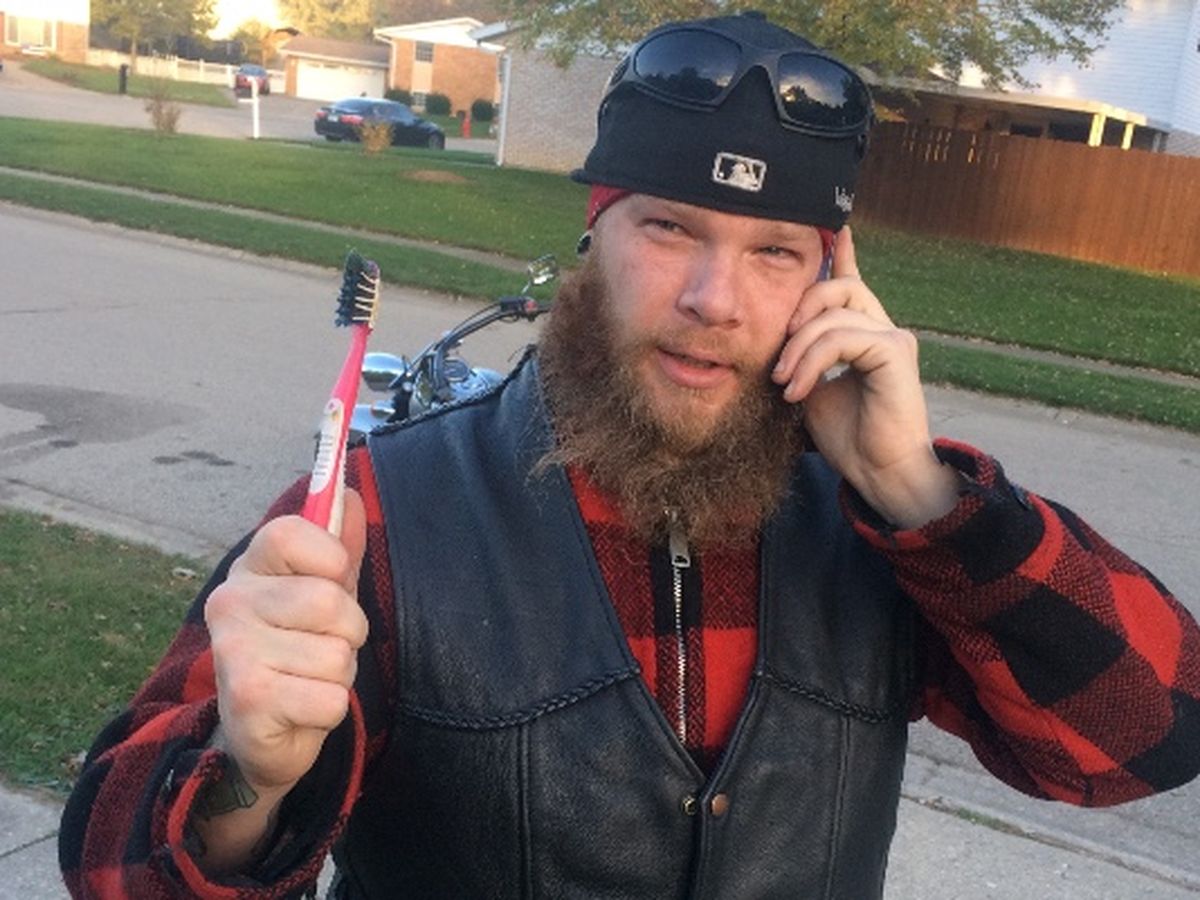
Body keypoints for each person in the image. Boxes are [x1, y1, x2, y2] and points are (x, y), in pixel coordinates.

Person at [60, 12, 1200, 899]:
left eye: (774, 252)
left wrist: (917, 488)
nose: (715, 299)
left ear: (830, 282)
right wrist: (247, 778)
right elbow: (116, 870)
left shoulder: (894, 534)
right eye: (670, 228)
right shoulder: (381, 515)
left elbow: (1147, 736)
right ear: (592, 236)